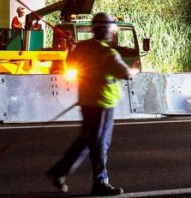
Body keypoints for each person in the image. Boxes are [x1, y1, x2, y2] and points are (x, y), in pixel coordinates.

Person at [45, 12, 137, 196]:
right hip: (103, 104)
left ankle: (60, 171)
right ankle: (100, 182)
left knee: (88, 141)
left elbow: (70, 62)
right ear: (106, 29)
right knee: (100, 143)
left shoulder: (83, 48)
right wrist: (134, 70)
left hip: (87, 102)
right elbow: (125, 74)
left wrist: (71, 48)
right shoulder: (108, 53)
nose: (113, 31)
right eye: (112, 27)